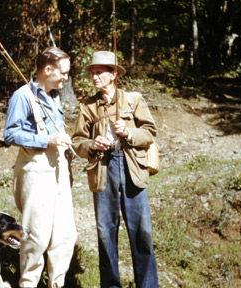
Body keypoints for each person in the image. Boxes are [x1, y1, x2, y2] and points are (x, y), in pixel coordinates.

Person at [71, 51, 159, 288]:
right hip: (103, 169)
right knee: (105, 233)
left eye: (100, 72)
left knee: (141, 232)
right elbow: (77, 141)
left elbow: (150, 132)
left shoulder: (133, 99)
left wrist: (129, 132)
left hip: (132, 167)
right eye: (93, 72)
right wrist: (91, 144)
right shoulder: (87, 106)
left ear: (113, 75)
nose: (95, 77)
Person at [4, 47, 77, 288]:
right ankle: (28, 283)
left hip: (59, 169)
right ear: (47, 70)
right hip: (35, 170)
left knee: (65, 234)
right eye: (63, 73)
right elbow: (11, 134)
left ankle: (57, 283)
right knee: (36, 233)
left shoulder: (55, 95)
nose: (66, 78)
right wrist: (47, 140)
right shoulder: (22, 96)